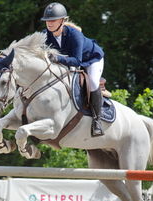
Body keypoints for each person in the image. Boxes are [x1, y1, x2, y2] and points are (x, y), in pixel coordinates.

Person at [41, 2, 105, 137]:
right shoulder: (45, 35)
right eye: (47, 21)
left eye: (53, 20)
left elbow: (77, 61)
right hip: (70, 60)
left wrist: (57, 58)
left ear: (62, 21)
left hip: (92, 59)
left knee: (93, 82)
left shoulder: (74, 35)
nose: (49, 23)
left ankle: (97, 120)